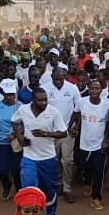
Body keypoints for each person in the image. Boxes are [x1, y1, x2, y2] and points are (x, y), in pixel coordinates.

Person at [12, 88, 68, 215]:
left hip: (47, 158)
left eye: (45, 100)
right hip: (29, 158)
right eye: (40, 100)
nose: (44, 103)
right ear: (33, 100)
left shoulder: (53, 112)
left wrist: (46, 134)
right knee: (29, 189)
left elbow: (63, 133)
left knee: (49, 190)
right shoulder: (23, 110)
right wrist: (19, 136)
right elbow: (14, 121)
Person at [73, 80, 109, 211]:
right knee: (86, 167)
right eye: (92, 88)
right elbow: (76, 115)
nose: (94, 91)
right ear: (89, 89)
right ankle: (87, 183)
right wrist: (74, 127)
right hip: (84, 143)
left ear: (101, 91)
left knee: (99, 171)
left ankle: (96, 198)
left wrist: (106, 139)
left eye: (97, 89)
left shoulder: (106, 105)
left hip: (99, 145)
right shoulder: (82, 102)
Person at [43, 68, 79, 202]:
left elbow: (77, 109)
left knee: (67, 160)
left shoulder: (72, 88)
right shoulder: (45, 88)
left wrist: (74, 127)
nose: (58, 81)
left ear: (65, 77)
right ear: (51, 77)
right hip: (51, 131)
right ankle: (55, 185)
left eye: (60, 79)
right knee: (53, 160)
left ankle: (67, 188)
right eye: (55, 79)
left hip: (67, 131)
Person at [0, 78, 22, 200]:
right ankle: (7, 185)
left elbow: (26, 126)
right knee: (0, 170)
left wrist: (14, 135)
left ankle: (19, 191)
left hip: (16, 142)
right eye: (8, 94)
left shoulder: (20, 107)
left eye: (12, 94)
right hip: (1, 142)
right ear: (2, 93)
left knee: (16, 170)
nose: (11, 97)